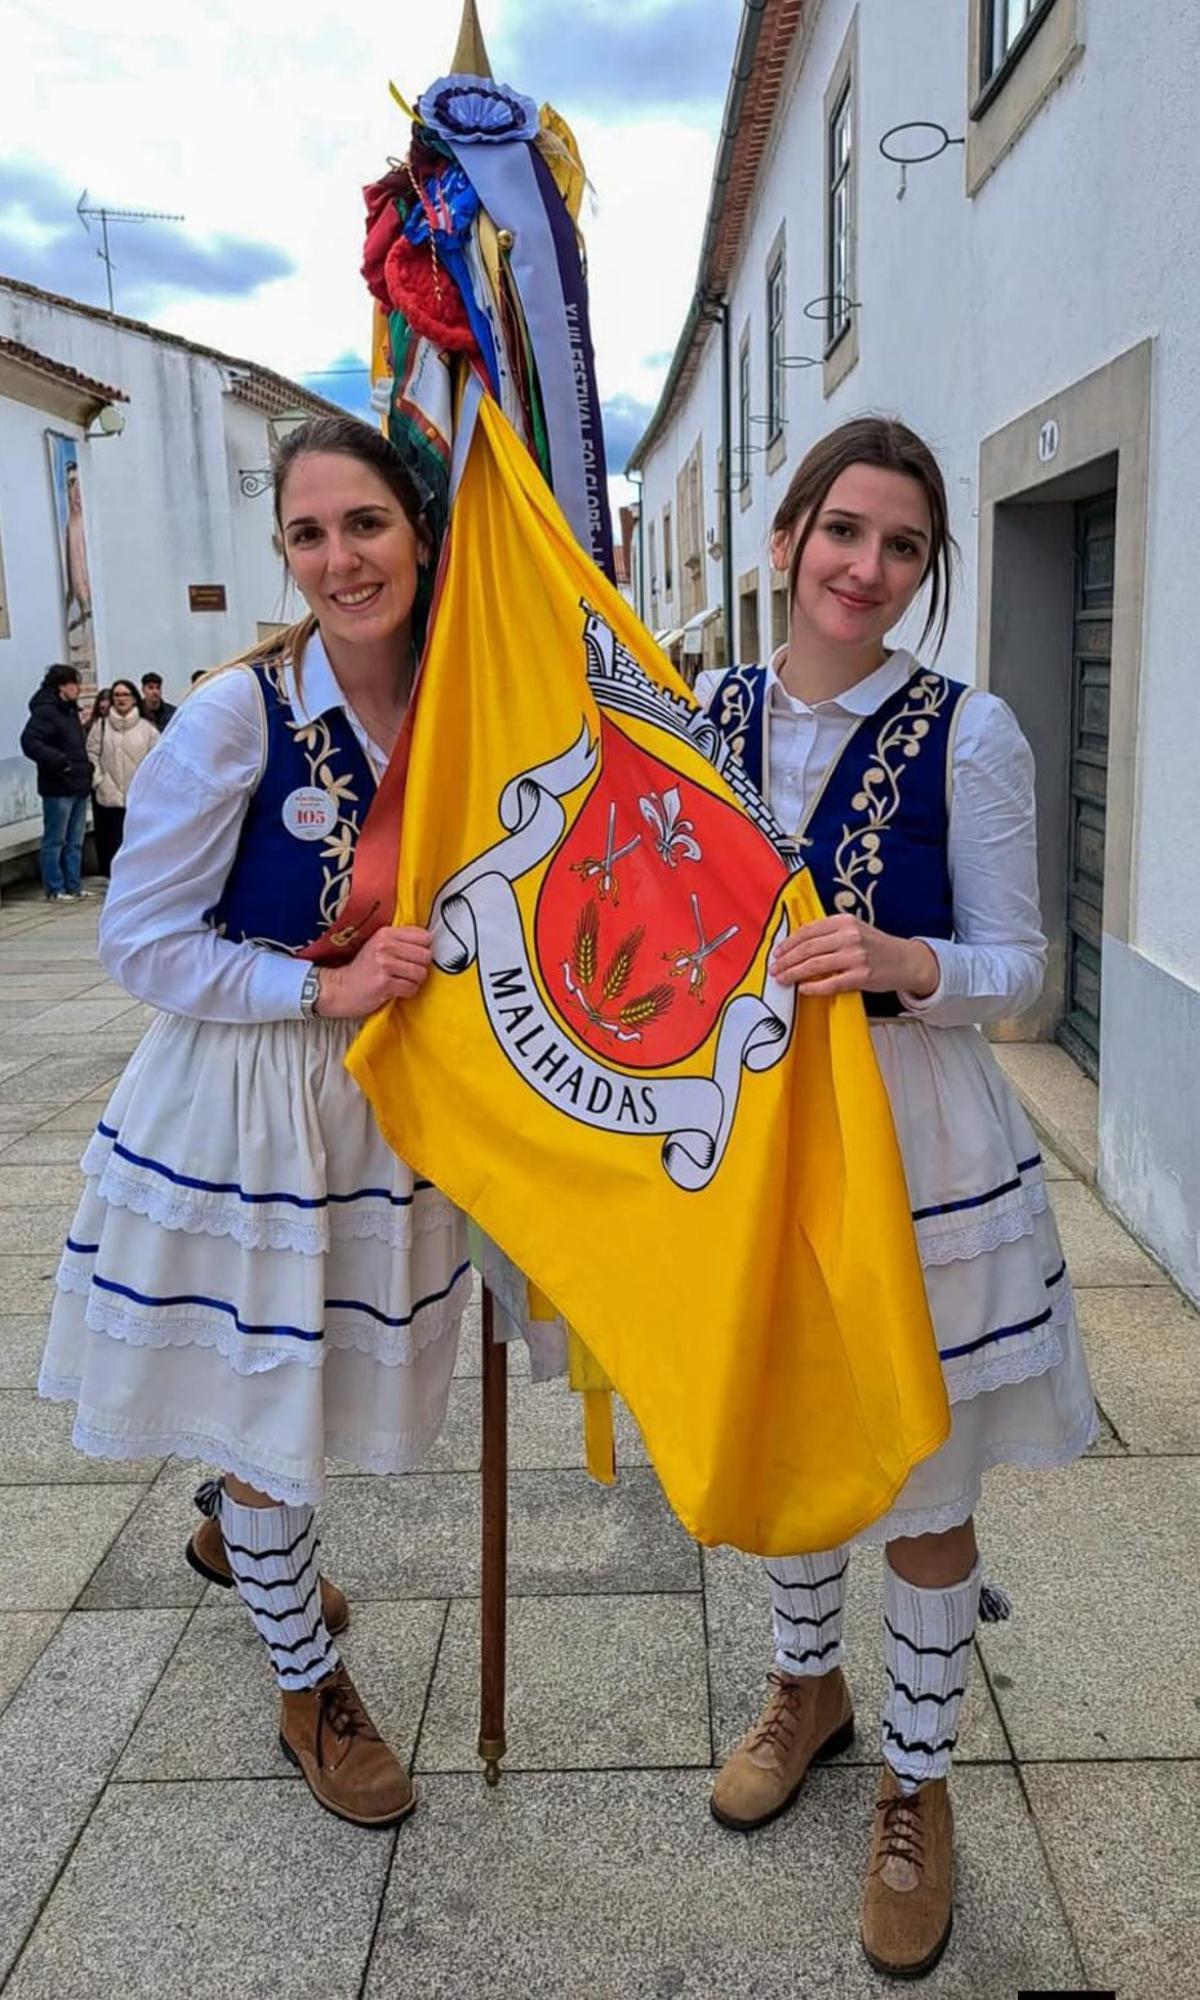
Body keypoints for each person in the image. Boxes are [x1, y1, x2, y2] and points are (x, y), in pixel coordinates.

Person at [696, 418, 1096, 1980]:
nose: (867, 567)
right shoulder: (708, 715)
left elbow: (1021, 968)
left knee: (923, 1477)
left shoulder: (969, 730)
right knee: (795, 1426)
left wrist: (902, 959)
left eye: (905, 546)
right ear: (788, 538)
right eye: (845, 531)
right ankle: (808, 1690)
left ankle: (918, 1785)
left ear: (928, 570)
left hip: (913, 1134)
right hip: (751, 1129)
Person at [39, 413, 470, 1829]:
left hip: (390, 1104)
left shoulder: (469, 696)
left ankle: (239, 1526)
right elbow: (140, 940)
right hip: (255, 1099)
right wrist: (316, 984)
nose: (341, 559)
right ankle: (307, 1685)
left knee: (318, 1377)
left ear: (421, 533)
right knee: (276, 1390)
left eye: (367, 524)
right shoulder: (241, 713)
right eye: (308, 533)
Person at [20, 663, 93, 902]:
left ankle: (74, 885)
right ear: (61, 686)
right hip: (58, 785)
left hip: (78, 783)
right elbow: (30, 742)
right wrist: (60, 761)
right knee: (55, 840)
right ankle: (55, 888)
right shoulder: (47, 711)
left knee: (75, 841)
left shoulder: (69, 711)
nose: (78, 689)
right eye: (74, 684)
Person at [86, 677, 159, 877]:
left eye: (125, 694)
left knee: (138, 843)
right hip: (109, 798)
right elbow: (91, 755)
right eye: (116, 695)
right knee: (112, 844)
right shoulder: (100, 726)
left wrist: (148, 786)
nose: (121, 699)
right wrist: (99, 781)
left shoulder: (148, 729)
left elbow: (157, 761)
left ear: (134, 698)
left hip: (139, 798)